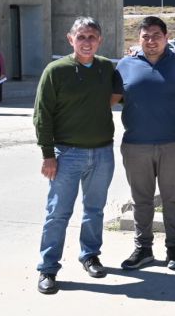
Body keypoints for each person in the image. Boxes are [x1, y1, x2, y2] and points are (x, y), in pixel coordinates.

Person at [34, 17, 123, 295]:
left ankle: (90, 255)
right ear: (70, 39)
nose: (87, 42)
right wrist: (48, 155)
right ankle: (48, 268)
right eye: (81, 37)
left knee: (94, 210)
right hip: (67, 154)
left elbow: (120, 91)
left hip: (102, 153)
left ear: (100, 40)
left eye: (92, 37)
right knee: (58, 213)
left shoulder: (106, 68)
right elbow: (42, 115)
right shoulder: (56, 70)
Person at [116, 16, 175, 271]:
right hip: (135, 144)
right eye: (145, 36)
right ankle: (143, 249)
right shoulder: (125, 65)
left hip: (173, 143)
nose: (151, 41)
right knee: (140, 200)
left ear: (166, 37)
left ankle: (174, 249)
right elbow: (109, 100)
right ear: (138, 39)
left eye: (156, 35)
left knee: (173, 198)